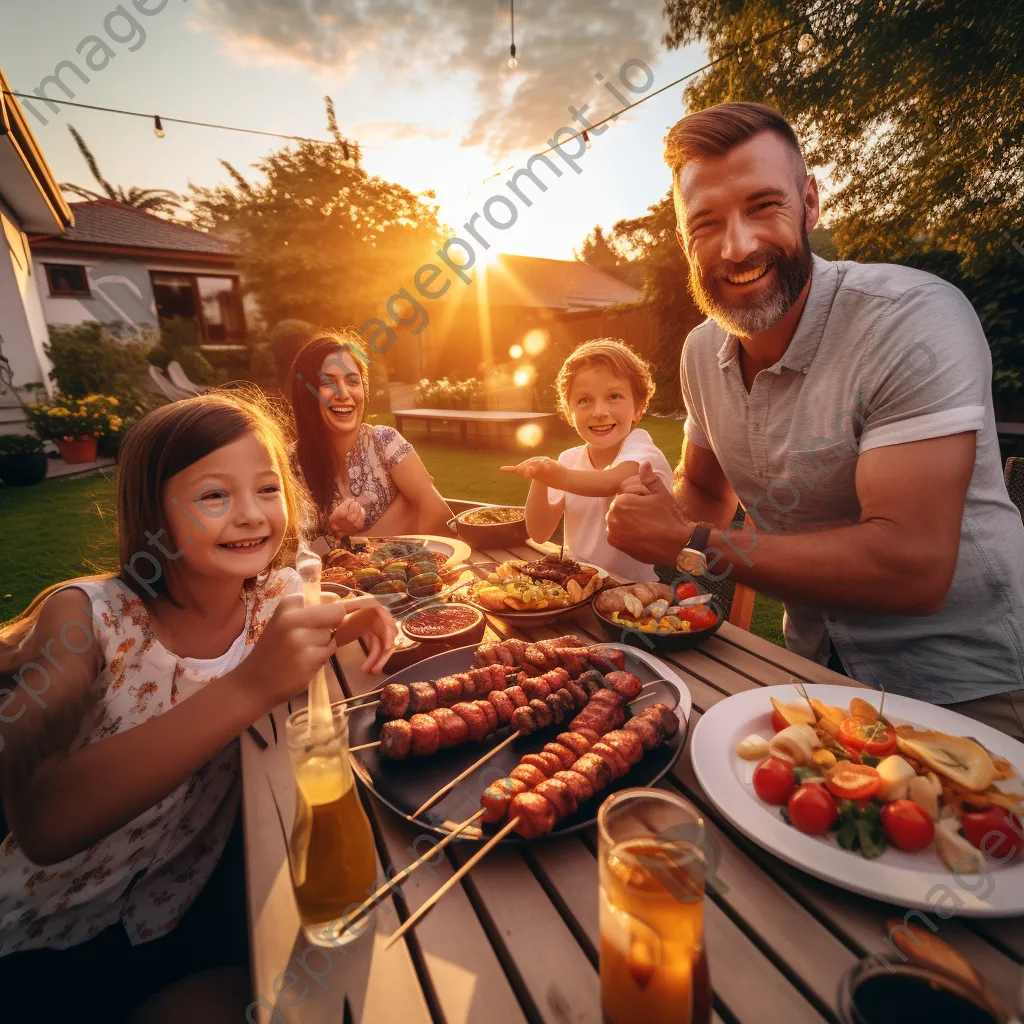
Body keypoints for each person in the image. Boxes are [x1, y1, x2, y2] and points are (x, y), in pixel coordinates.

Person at [605, 101, 1024, 739]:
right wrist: (659, 508)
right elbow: (707, 494)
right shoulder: (699, 352)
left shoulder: (912, 319)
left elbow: (911, 564)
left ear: (810, 202)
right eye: (707, 222)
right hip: (812, 674)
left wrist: (690, 545)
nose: (737, 245)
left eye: (763, 206)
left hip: (970, 687)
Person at [0, 391, 396, 1022]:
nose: (250, 515)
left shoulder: (272, 600)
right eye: (214, 496)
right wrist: (247, 689)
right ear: (151, 514)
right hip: (41, 945)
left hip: (174, 920)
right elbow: (44, 827)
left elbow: (303, 622)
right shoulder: (88, 618)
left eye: (267, 489)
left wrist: (357, 613)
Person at [503, 338, 673, 581]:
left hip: (630, 593)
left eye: (614, 396)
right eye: (584, 400)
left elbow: (609, 481)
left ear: (639, 407)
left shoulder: (641, 449)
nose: (599, 411)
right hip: (576, 584)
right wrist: (540, 477)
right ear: (569, 413)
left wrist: (557, 474)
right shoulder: (569, 459)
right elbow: (539, 532)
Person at [289, 330, 454, 544]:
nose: (343, 393)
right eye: (327, 383)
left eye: (352, 381)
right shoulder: (289, 466)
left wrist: (359, 541)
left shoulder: (384, 442)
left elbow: (440, 518)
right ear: (305, 393)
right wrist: (335, 533)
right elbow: (288, 557)